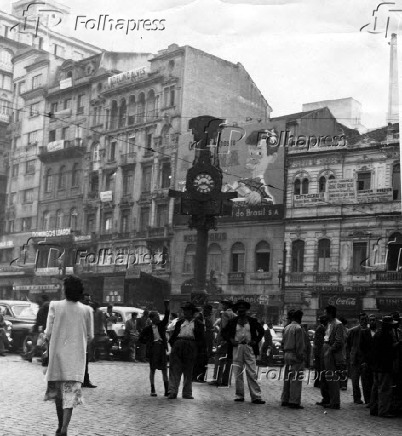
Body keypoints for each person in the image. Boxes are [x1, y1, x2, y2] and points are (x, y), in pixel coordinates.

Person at [43, 275, 94, 436]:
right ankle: (64, 427)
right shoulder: (87, 310)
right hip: (76, 360)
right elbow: (91, 336)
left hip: (57, 359)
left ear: (65, 289)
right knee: (70, 396)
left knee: (59, 395)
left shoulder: (55, 306)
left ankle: (60, 426)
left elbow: (48, 333)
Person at [222, 299, 265, 404]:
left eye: (243, 309)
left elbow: (261, 331)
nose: (241, 311)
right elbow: (224, 332)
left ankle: (256, 397)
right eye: (239, 309)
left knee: (252, 372)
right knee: (237, 372)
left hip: (249, 348)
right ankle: (239, 395)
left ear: (246, 310)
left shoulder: (252, 321)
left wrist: (255, 341)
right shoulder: (233, 322)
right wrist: (231, 340)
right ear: (237, 310)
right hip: (237, 348)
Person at [167, 302, 205, 399]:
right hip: (178, 344)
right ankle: (172, 391)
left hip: (191, 345)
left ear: (192, 312)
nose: (185, 312)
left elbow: (201, 338)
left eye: (187, 310)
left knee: (188, 370)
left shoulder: (198, 324)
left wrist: (198, 351)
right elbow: (174, 335)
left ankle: (187, 393)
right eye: (184, 310)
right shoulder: (179, 322)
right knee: (175, 368)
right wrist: (175, 344)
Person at [139, 301, 170, 397]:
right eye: (156, 317)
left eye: (158, 316)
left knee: (164, 369)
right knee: (152, 370)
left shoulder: (161, 325)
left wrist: (166, 307)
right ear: (152, 319)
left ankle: (166, 390)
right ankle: (152, 389)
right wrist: (148, 343)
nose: (158, 318)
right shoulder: (148, 329)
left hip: (161, 348)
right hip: (153, 349)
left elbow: (166, 317)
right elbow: (141, 338)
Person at [370, 315, 398, 417]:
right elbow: (389, 352)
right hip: (385, 366)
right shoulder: (387, 336)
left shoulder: (377, 334)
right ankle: (383, 410)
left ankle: (374, 409)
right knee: (385, 389)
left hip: (376, 366)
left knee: (375, 388)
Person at [319, 305, 345, 410]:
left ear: (330, 313)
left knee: (332, 378)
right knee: (327, 378)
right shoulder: (329, 324)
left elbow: (339, 341)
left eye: (325, 312)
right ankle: (329, 400)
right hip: (326, 352)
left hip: (331, 355)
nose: (324, 315)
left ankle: (335, 402)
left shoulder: (338, 325)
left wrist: (330, 350)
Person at [281, 309, 305, 409]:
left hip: (287, 354)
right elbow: (300, 344)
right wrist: (301, 356)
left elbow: (282, 343)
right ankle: (294, 401)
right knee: (296, 379)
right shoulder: (299, 328)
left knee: (287, 378)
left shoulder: (286, 328)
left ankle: (285, 399)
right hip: (295, 355)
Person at [209, 299, 235, 387]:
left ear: (226, 305)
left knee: (218, 360)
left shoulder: (225, 314)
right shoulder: (235, 315)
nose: (222, 306)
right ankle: (225, 380)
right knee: (228, 361)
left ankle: (217, 379)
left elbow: (224, 327)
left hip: (223, 340)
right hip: (231, 341)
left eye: (223, 304)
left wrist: (221, 339)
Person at [346, 312, 368, 404]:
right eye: (362, 319)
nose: (364, 321)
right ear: (359, 320)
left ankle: (368, 399)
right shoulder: (353, 331)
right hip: (355, 359)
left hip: (365, 359)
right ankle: (357, 398)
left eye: (365, 319)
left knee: (366, 381)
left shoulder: (369, 331)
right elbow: (348, 345)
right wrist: (349, 356)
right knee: (355, 381)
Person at [360, 314, 377, 407]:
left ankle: (374, 401)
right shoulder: (364, 332)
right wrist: (363, 361)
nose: (372, 321)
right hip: (367, 361)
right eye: (371, 320)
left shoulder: (379, 332)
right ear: (368, 322)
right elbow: (361, 347)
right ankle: (368, 401)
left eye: (374, 320)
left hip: (376, 361)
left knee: (375, 382)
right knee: (367, 382)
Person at [81, 294, 96, 388]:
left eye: (89, 300)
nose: (88, 302)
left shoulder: (89, 311)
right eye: (86, 300)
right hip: (77, 340)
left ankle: (86, 380)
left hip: (85, 339)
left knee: (85, 361)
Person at [313, 315, 327, 389]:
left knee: (318, 367)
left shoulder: (320, 327)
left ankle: (317, 381)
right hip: (319, 351)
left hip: (318, 350)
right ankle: (318, 382)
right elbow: (320, 341)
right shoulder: (321, 328)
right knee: (319, 367)